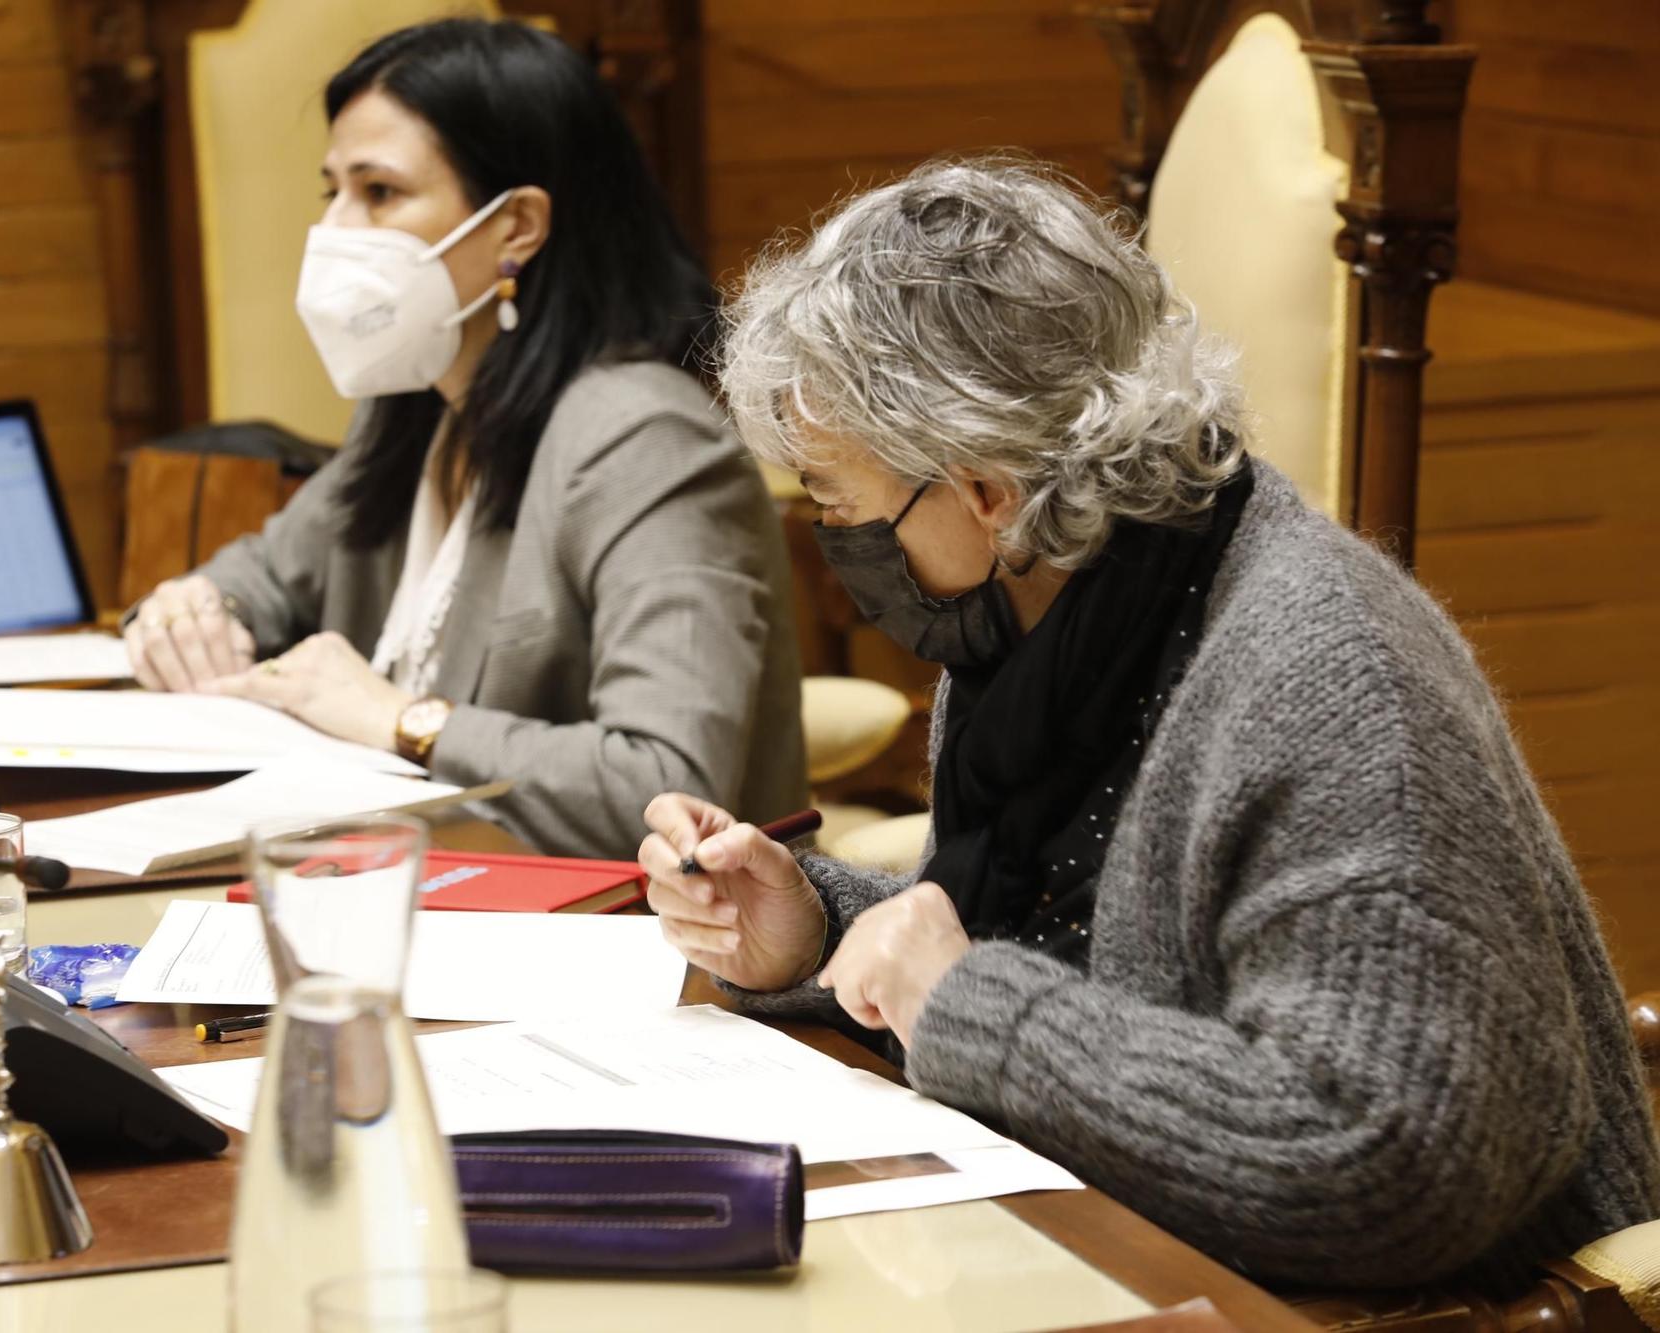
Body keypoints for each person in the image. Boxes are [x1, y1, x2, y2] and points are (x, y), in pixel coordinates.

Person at [639, 158, 1660, 1292]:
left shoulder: (1323, 673)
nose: (829, 534)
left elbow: (1383, 1166)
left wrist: (972, 1011)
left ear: (982, 487)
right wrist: (813, 931)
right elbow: (1065, 957)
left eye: (835, 498)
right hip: (1136, 1253)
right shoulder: (1049, 612)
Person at [124, 18, 804, 858]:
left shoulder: (644, 438)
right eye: (330, 190)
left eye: (379, 193)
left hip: (631, 945)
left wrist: (401, 720)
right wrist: (194, 610)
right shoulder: (417, 401)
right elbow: (265, 573)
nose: (337, 230)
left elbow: (664, 783)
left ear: (516, 225)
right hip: (422, 891)